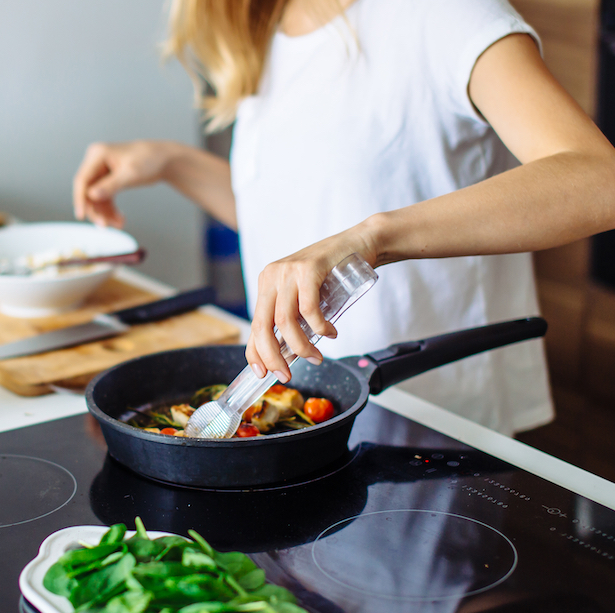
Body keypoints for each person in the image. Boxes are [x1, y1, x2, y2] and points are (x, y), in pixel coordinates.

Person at [73, 0, 615, 437]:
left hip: (429, 420)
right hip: (303, 416)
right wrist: (174, 163)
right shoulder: (268, 25)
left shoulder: (448, 15)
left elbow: (599, 181)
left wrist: (371, 239)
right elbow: (299, 226)